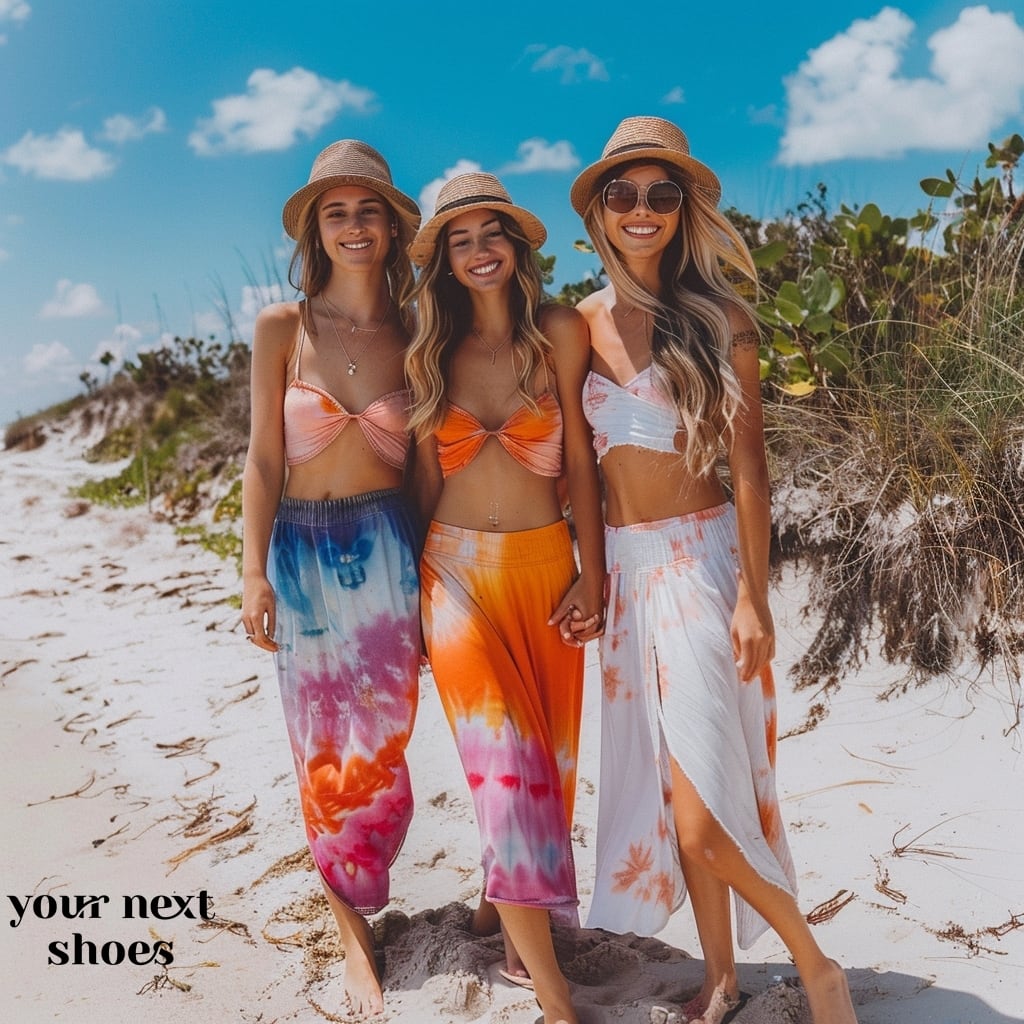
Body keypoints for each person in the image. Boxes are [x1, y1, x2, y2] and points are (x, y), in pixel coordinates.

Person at [569, 116, 858, 1024]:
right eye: (624, 194)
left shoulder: (723, 320)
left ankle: (817, 966)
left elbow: (750, 471)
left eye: (663, 194)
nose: (643, 210)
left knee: (702, 813)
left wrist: (753, 597)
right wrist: (584, 571)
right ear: (601, 213)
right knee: (673, 785)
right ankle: (722, 977)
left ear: (684, 207)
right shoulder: (573, 326)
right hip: (624, 578)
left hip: (701, 564)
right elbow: (578, 468)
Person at [404, 172, 605, 1024]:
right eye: (461, 239)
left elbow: (586, 466)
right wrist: (404, 602)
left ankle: (500, 900)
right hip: (451, 575)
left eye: (492, 235)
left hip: (543, 572)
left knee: (546, 775)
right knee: (507, 767)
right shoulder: (429, 348)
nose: (479, 251)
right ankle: (553, 995)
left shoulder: (558, 331)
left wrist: (593, 572)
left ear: (517, 248)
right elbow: (418, 482)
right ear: (445, 259)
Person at [240, 139, 422, 1018]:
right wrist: (251, 572)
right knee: (321, 746)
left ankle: (369, 867)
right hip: (302, 553)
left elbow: (432, 463)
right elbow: (264, 459)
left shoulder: (421, 331)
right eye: (336, 212)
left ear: (392, 227)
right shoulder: (283, 329)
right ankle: (352, 927)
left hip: (390, 547)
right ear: (317, 229)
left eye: (368, 210)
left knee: (384, 739)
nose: (354, 226)